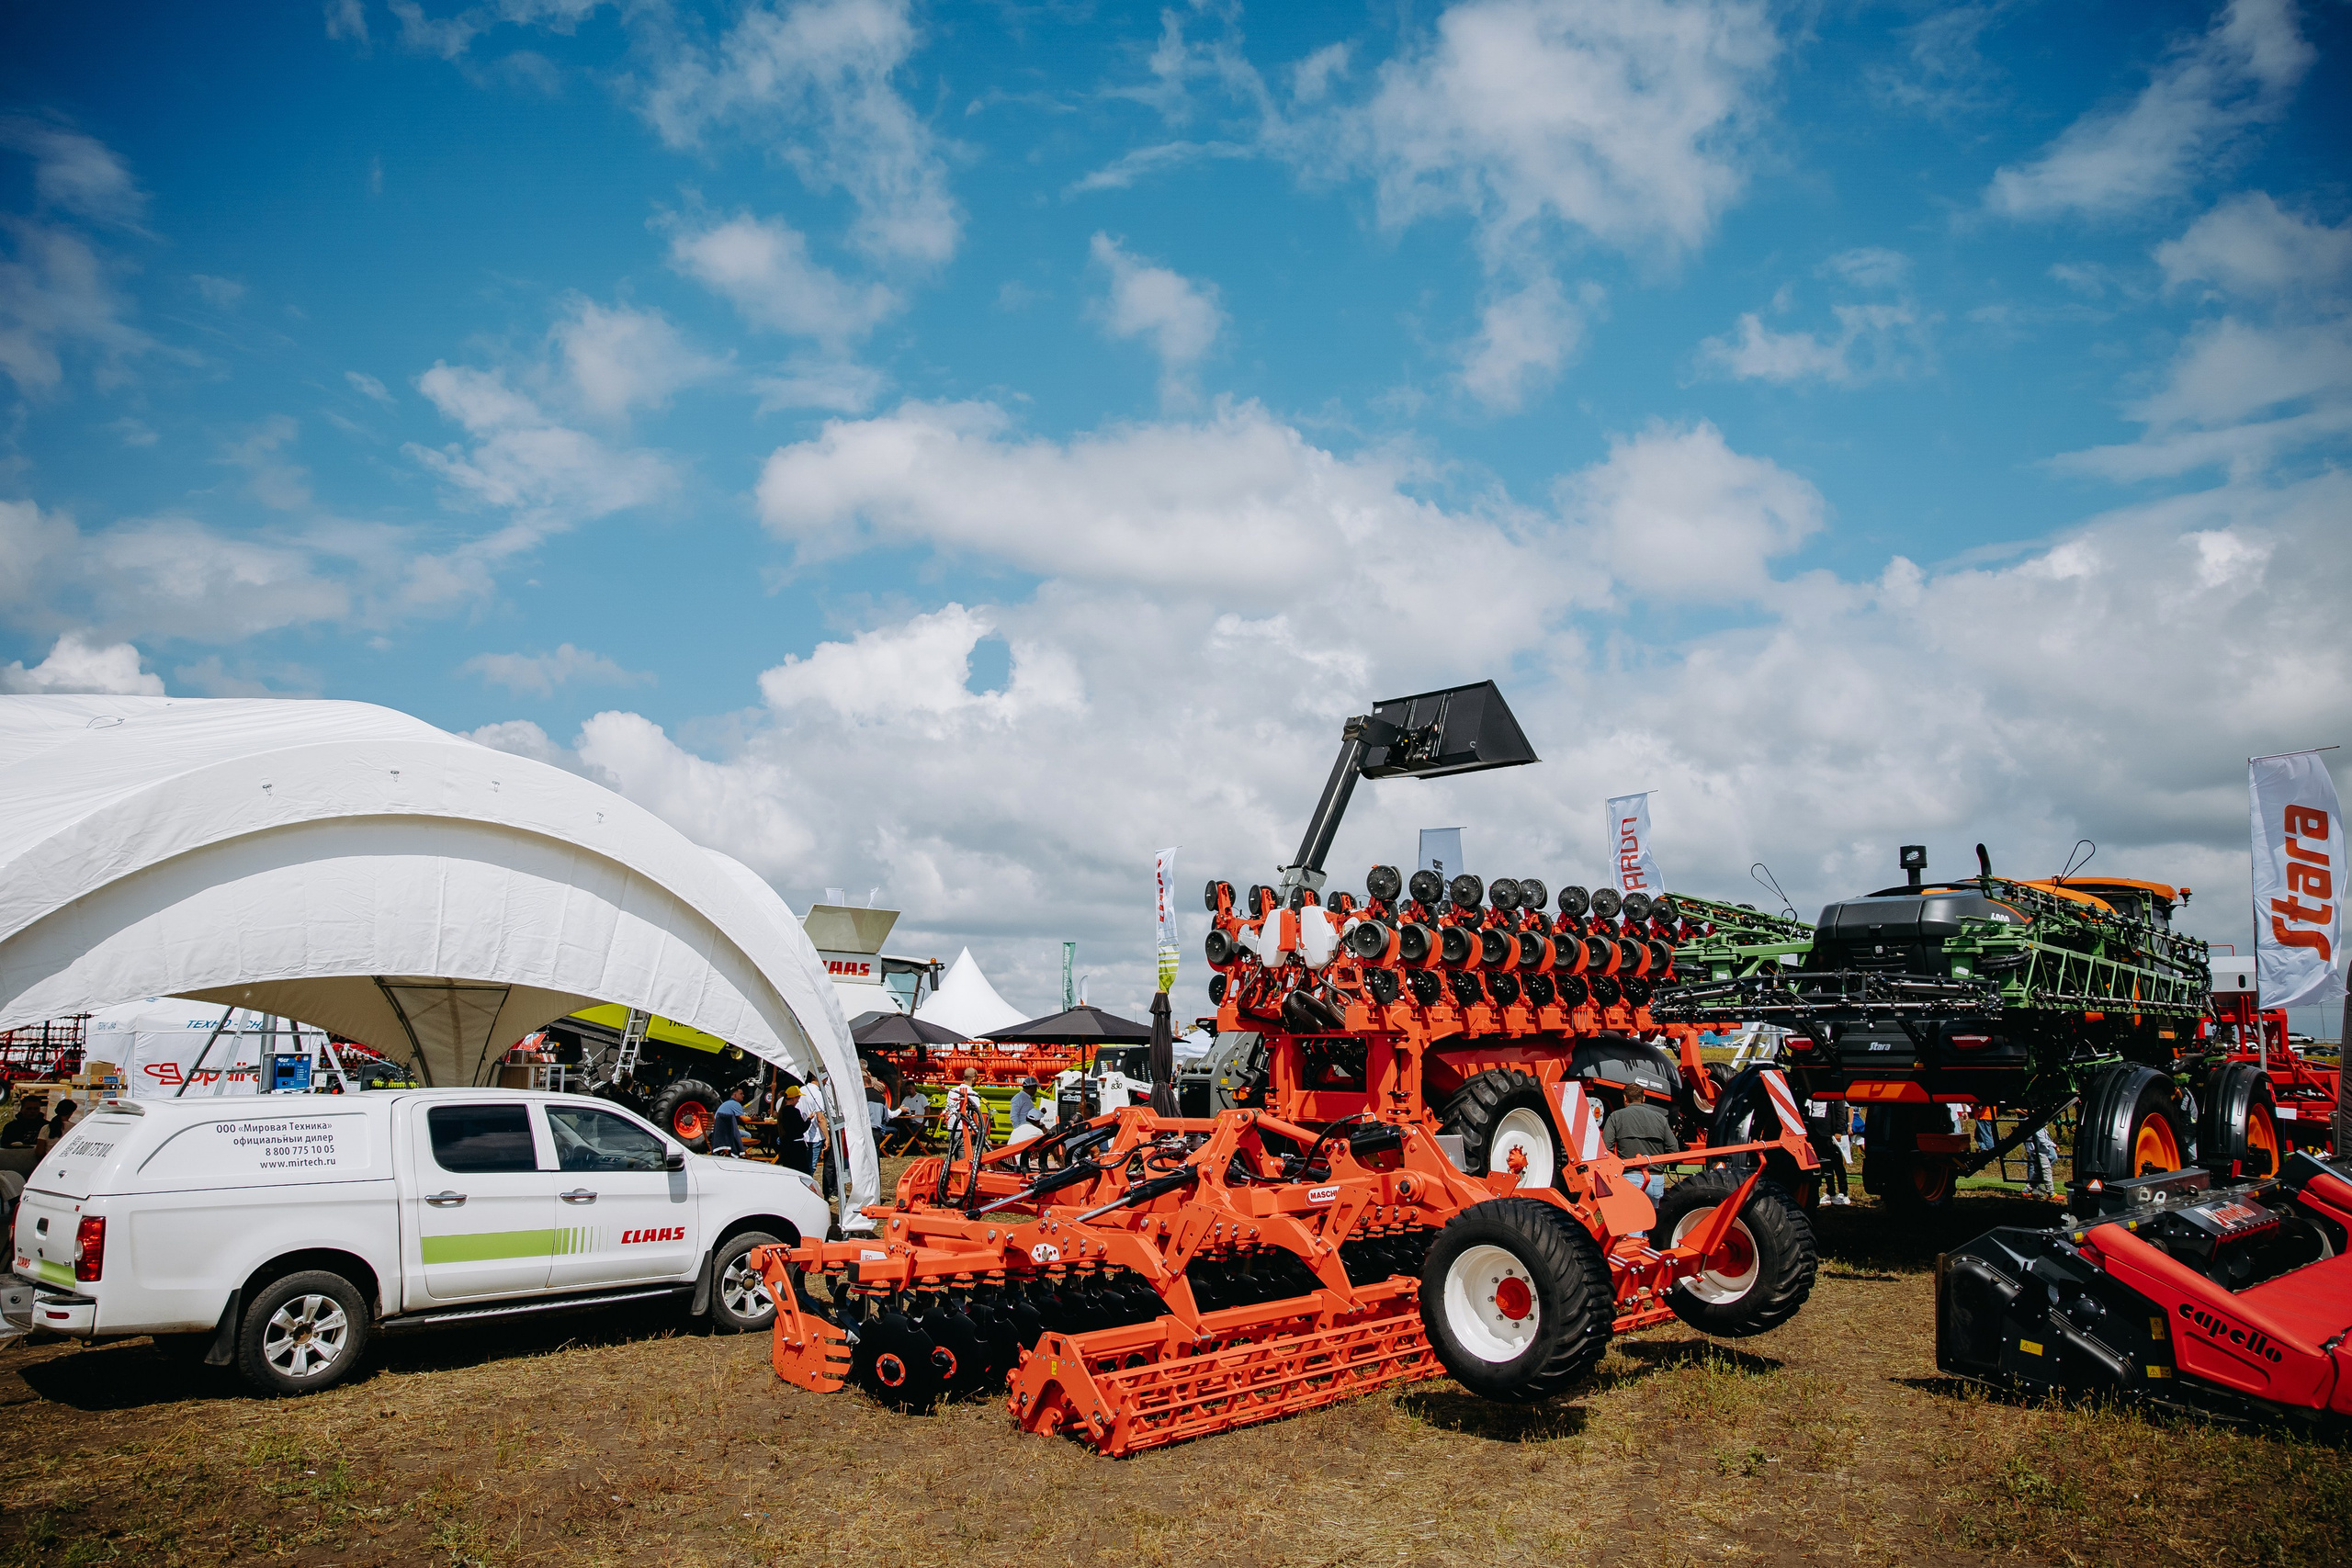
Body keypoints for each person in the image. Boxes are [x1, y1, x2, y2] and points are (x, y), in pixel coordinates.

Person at [1600, 1086, 1679, 1199]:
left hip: (1629, 1177)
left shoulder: (1616, 1117)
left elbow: (1606, 1149)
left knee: (1631, 1215)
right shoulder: (1660, 1118)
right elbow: (1674, 1149)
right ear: (1643, 1098)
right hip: (1656, 1178)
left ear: (1625, 1098)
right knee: (1655, 1214)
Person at [888, 1082, 932, 1146]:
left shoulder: (921, 1097)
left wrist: (923, 1123)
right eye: (907, 1089)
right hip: (911, 1122)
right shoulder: (906, 1099)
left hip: (921, 1123)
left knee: (911, 1131)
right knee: (901, 1128)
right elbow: (902, 1108)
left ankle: (913, 1147)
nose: (908, 1090)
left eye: (910, 1088)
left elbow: (927, 1109)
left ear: (914, 1088)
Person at [1007, 1076, 1046, 1146]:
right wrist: (1019, 1130)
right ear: (1031, 1088)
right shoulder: (1018, 1098)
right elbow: (1013, 1116)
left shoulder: (1026, 1098)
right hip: (1024, 1130)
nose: (1036, 1090)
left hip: (1027, 1129)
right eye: (1036, 1088)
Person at [711, 1083, 747, 1157]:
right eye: (741, 1094)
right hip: (726, 1133)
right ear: (735, 1095)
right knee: (748, 1135)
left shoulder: (726, 1103)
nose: (743, 1095)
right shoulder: (735, 1104)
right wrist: (754, 1118)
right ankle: (741, 1153)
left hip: (717, 1133)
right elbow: (745, 1120)